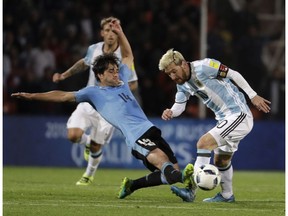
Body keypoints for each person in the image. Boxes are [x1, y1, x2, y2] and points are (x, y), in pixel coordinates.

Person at [11, 21, 194, 201]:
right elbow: (62, 96)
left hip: (150, 129)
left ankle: (132, 185)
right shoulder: (93, 93)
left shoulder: (122, 79)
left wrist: (120, 33)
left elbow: (129, 56)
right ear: (100, 75)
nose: (116, 73)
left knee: (171, 172)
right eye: (111, 71)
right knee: (164, 163)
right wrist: (32, 96)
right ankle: (191, 178)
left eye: (116, 70)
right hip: (135, 136)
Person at [158, 49, 271, 202]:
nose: (173, 77)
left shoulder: (205, 66)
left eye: (174, 71)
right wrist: (171, 112)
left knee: (203, 143)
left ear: (183, 64)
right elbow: (179, 105)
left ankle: (190, 190)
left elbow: (233, 74)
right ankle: (227, 195)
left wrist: (253, 95)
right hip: (225, 119)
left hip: (238, 114)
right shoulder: (182, 84)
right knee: (221, 161)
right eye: (169, 74)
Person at [52, 17, 139, 186]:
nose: (111, 34)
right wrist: (64, 75)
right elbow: (83, 64)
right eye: (107, 30)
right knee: (73, 135)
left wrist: (120, 88)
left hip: (109, 107)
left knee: (96, 146)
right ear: (102, 33)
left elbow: (134, 83)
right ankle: (87, 142)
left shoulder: (124, 54)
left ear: (119, 33)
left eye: (114, 31)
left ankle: (88, 175)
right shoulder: (94, 49)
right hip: (89, 100)